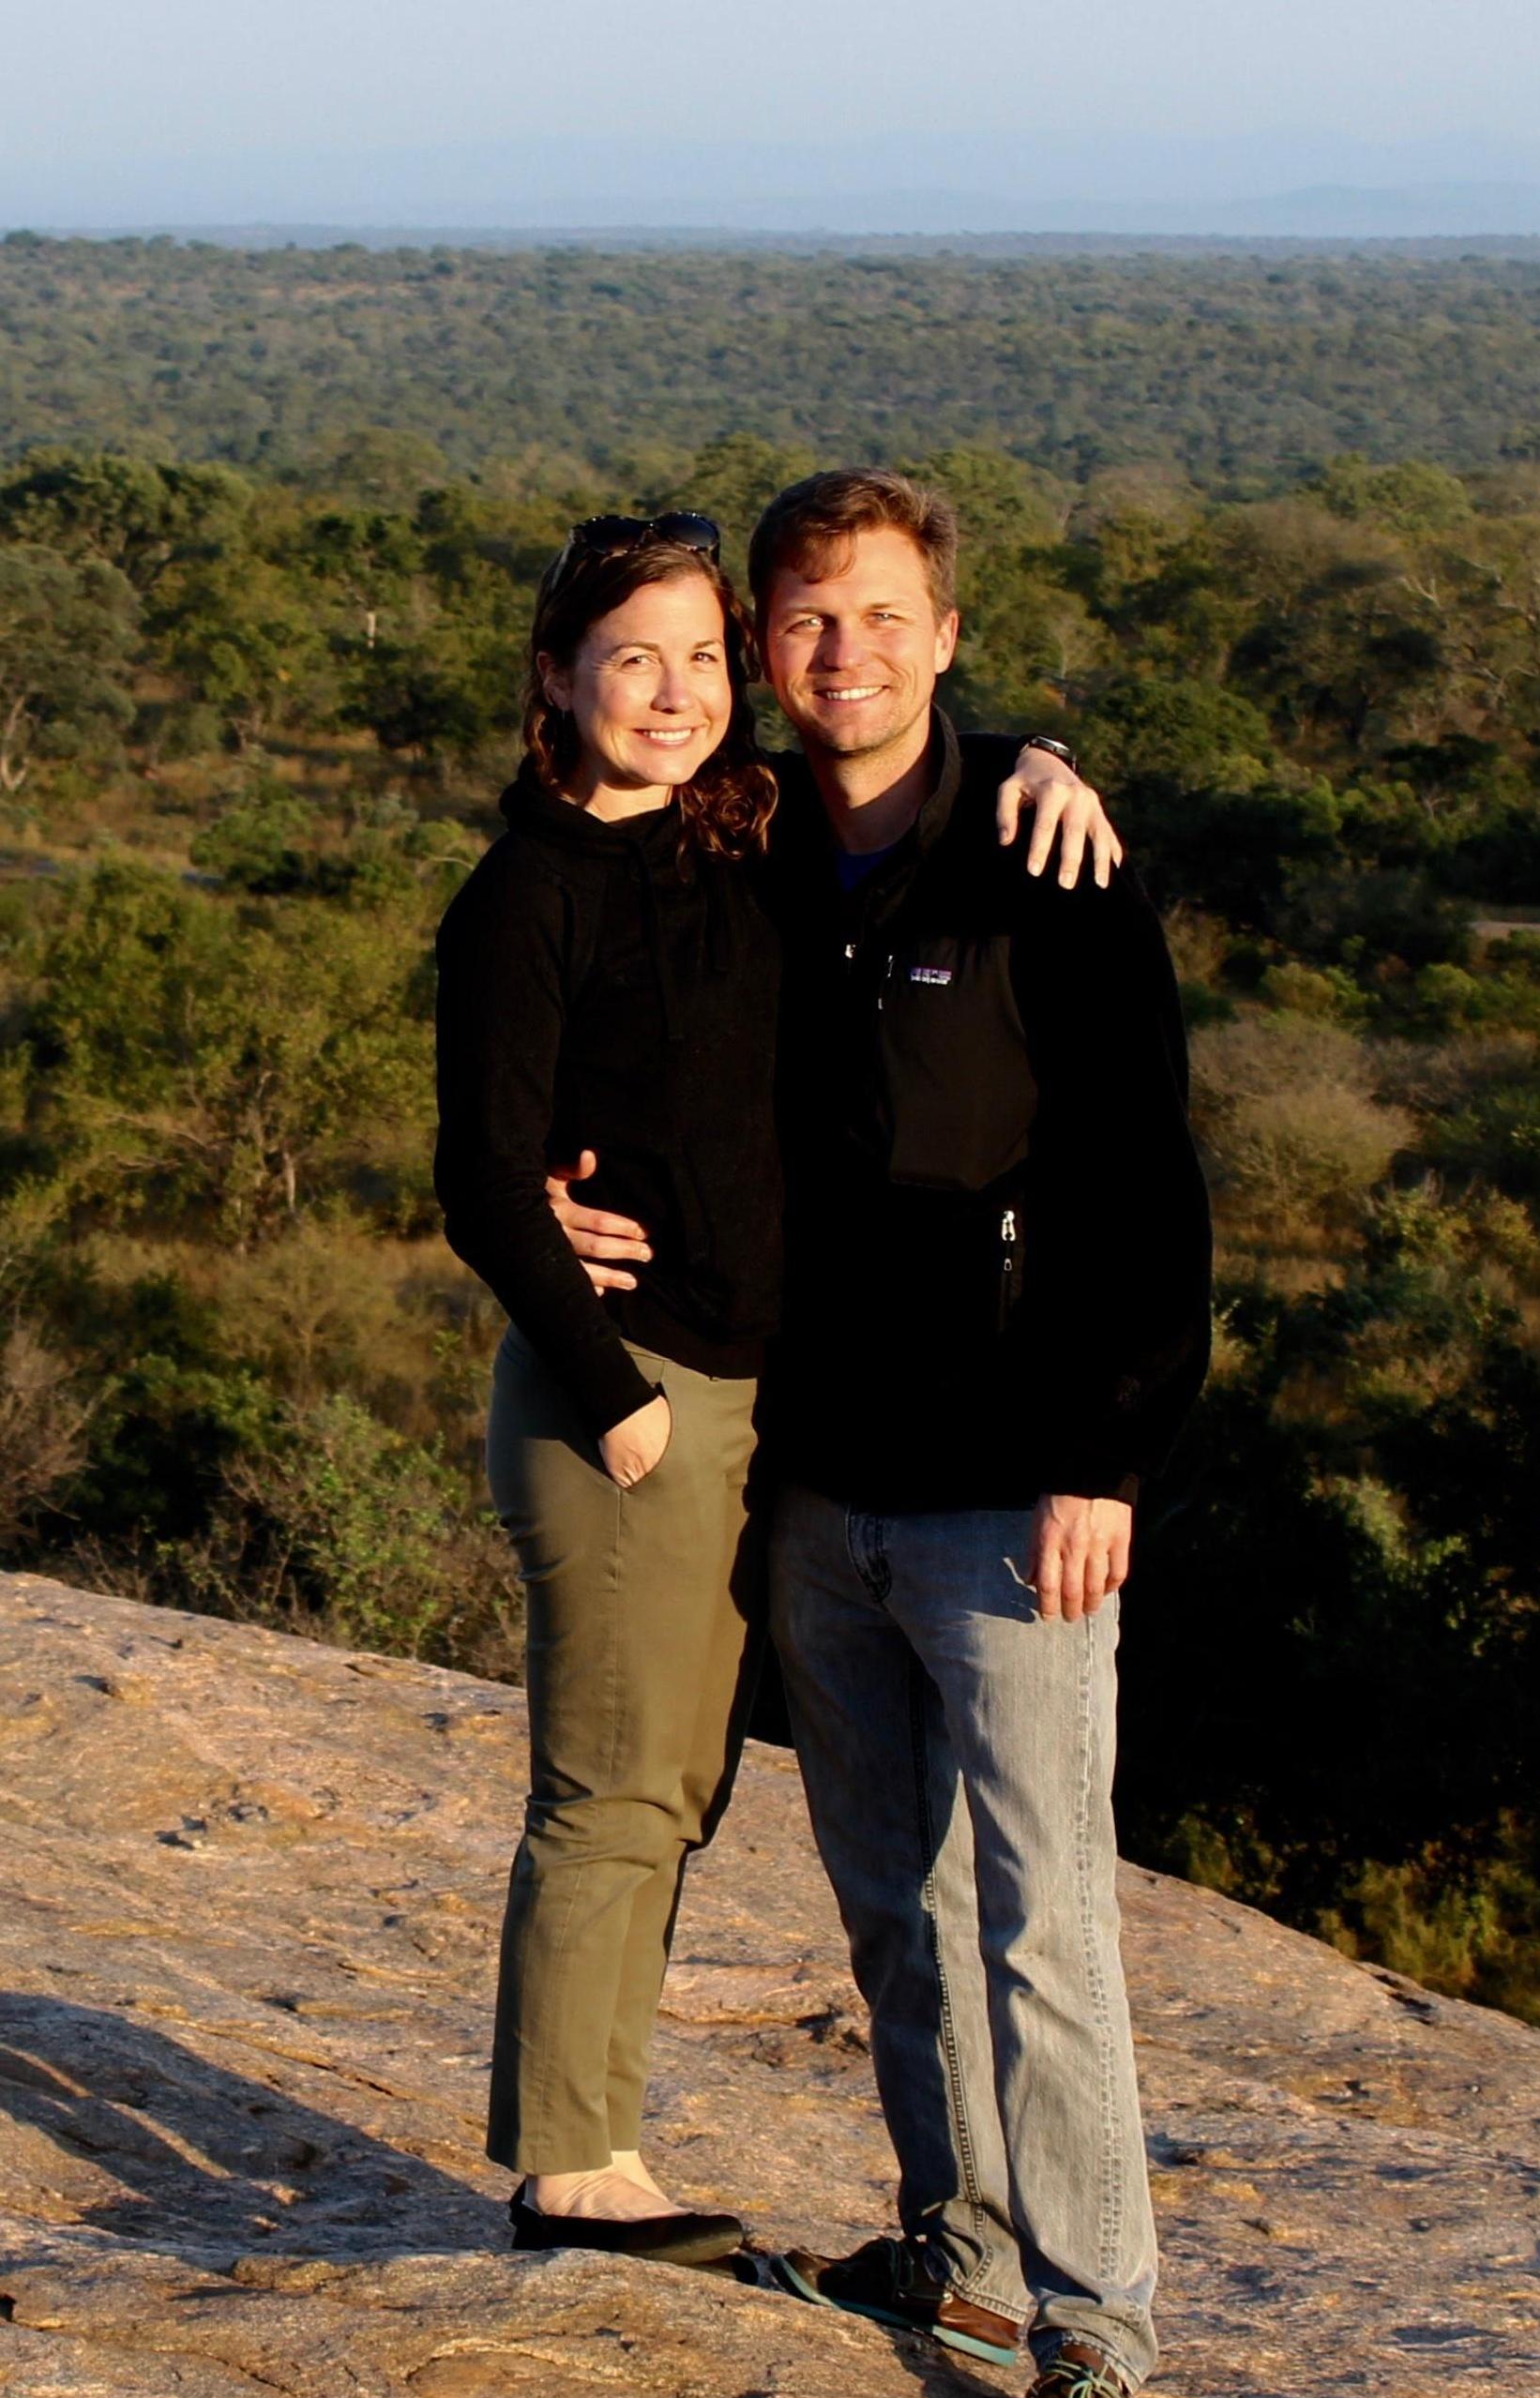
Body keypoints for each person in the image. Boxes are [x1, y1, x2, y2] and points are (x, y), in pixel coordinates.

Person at [550, 469, 1210, 2398]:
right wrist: (546, 1196)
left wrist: (1107, 1451)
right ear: (762, 640)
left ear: (948, 631)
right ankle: (960, 2241)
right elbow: (561, 960)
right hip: (816, 1478)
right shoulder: (734, 847)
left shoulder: (1039, 855)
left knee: (1042, 1915)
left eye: (884, 616)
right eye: (806, 620)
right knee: (887, 1904)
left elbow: (1144, 1182)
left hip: (1017, 1481)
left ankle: (1096, 2330)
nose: (844, 654)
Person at [433, 508, 1117, 2269]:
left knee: (678, 1773)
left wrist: (1043, 763)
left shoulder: (722, 840)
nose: (671, 696)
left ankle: (592, 2134)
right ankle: (575, 2168)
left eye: (700, 661)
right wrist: (615, 1391)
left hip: (739, 1396)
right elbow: (481, 1174)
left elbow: (896, 760)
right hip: (631, 1400)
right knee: (616, 1780)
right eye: (630, 660)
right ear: (556, 679)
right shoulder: (529, 889)